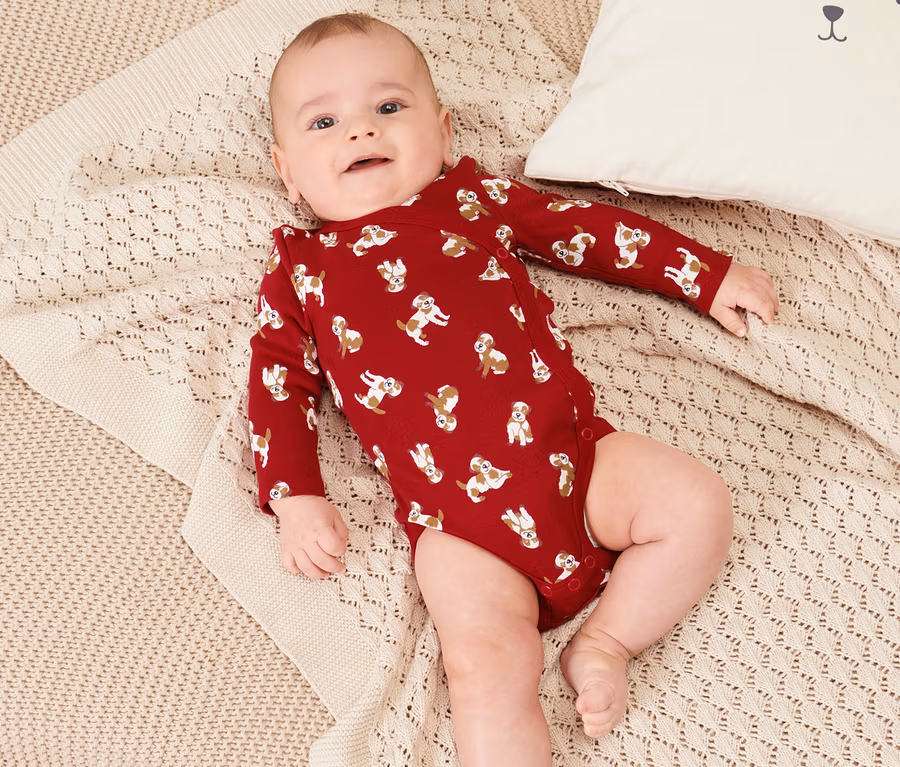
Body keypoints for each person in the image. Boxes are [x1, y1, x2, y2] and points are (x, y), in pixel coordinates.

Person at [249, 12, 779, 766]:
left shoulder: (472, 201)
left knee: (698, 503)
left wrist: (702, 272)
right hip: (460, 526)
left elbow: (587, 230)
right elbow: (276, 382)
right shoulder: (301, 272)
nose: (362, 130)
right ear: (287, 170)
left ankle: (607, 641)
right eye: (324, 122)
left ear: (443, 132)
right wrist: (295, 492)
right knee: (483, 666)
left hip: (579, 464)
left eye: (389, 106)